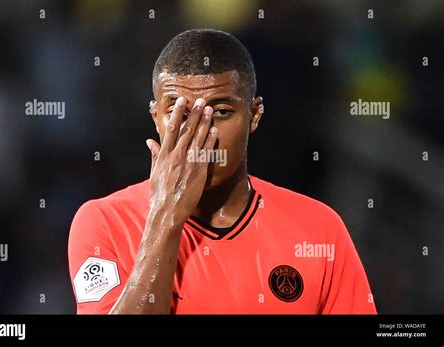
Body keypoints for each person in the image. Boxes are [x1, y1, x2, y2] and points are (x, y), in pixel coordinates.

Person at [68, 28, 377, 314]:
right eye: (179, 113)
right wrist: (166, 218)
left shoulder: (319, 230)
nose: (201, 133)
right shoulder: (102, 223)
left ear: (254, 116)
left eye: (221, 112)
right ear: (156, 117)